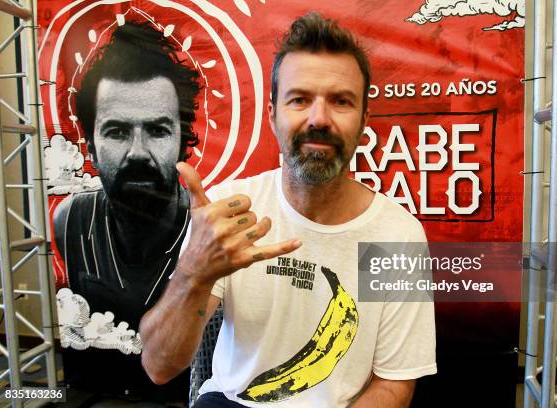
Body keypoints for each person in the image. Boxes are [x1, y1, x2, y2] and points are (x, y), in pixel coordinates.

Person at [140, 12, 436, 408]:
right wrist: (194, 272)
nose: (319, 119)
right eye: (299, 99)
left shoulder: (398, 236)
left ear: (365, 119)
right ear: (272, 113)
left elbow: (393, 385)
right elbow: (159, 366)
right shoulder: (229, 209)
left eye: (341, 101)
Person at [52, 21, 200, 403]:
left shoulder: (206, 229)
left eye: (157, 130)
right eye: (117, 131)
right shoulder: (70, 221)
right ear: (90, 145)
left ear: (183, 142)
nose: (137, 152)